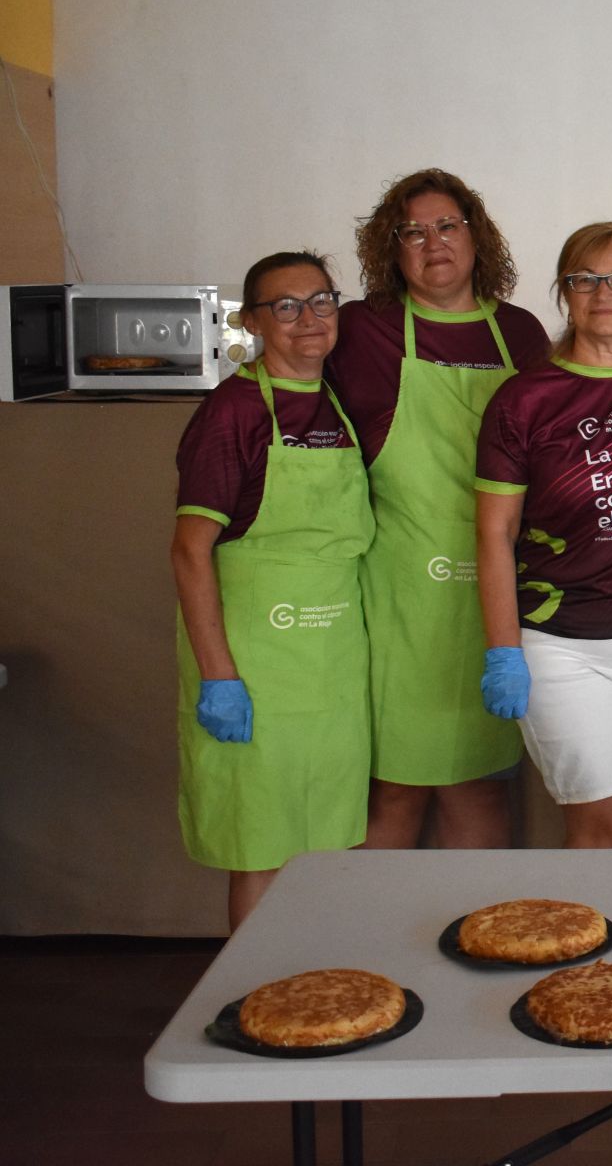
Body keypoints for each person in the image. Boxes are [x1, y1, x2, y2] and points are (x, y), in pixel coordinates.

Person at [331, 169, 550, 850]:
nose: (434, 242)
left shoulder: (518, 332)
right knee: (393, 780)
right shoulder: (361, 330)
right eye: (413, 231)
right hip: (400, 593)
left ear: (476, 236)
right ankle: (364, 952)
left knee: (479, 779)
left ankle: (472, 938)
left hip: (496, 590)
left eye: (448, 225)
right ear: (390, 250)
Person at [474, 222, 612, 848]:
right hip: (566, 643)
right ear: (565, 293)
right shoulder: (524, 401)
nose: (606, 292)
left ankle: (605, 934)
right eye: (586, 279)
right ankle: (582, 944)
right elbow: (495, 534)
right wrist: (503, 651)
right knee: (600, 823)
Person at [172, 252, 373, 930]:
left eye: (320, 300)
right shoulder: (232, 413)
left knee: (331, 838)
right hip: (258, 658)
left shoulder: (339, 402)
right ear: (254, 320)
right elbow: (189, 550)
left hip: (334, 658)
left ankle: (322, 990)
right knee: (262, 843)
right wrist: (218, 677)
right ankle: (252, 1003)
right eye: (285, 306)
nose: (308, 319)